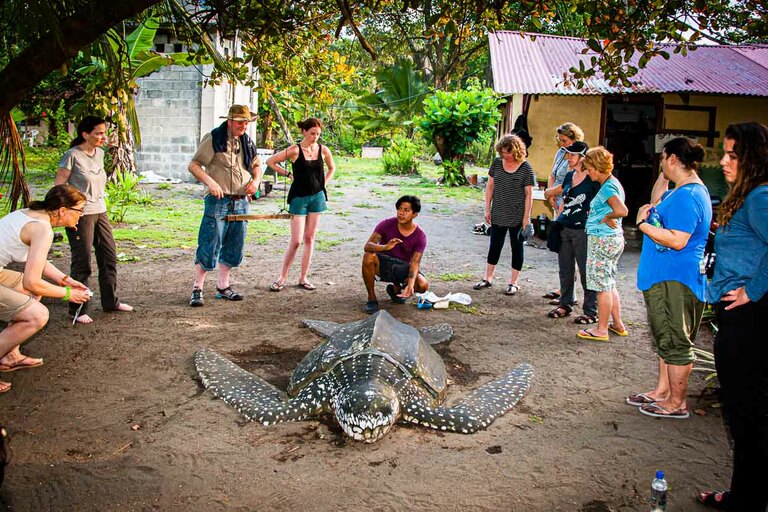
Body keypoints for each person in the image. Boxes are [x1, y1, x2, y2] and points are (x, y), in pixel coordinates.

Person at [698, 122, 768, 511]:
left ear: (752, 160)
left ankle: (748, 500)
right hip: (739, 314)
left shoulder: (759, 197)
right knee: (746, 416)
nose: (723, 161)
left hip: (750, 319)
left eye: (732, 155)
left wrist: (753, 289)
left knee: (748, 417)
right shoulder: (745, 197)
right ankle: (746, 495)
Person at [626, 138, 711, 419]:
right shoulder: (680, 191)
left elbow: (677, 240)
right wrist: (663, 176)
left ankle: (677, 403)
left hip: (675, 280)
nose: (661, 163)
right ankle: (663, 391)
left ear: (673, 158)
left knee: (676, 341)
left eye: (663, 158)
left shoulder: (689, 196)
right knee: (666, 338)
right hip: (664, 278)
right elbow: (656, 200)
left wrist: (642, 225)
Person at [0, 185, 92, 393]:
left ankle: (9, 355)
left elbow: (37, 261)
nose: (81, 216)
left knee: (33, 295)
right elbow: (31, 281)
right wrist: (68, 294)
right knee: (37, 315)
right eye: (79, 211)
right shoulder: (42, 229)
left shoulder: (32, 215)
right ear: (62, 210)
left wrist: (64, 280)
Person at [55, 116, 132, 323]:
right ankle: (77, 309)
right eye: (98, 133)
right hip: (79, 215)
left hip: (100, 210)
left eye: (104, 133)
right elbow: (59, 185)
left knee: (108, 256)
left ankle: (111, 302)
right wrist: (63, 212)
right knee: (82, 262)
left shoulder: (99, 153)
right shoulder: (72, 155)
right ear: (85, 134)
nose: (103, 137)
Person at [188, 105, 262, 307]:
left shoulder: (247, 141)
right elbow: (194, 165)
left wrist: (255, 182)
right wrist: (211, 183)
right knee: (210, 241)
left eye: (246, 122)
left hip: (240, 201)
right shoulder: (214, 138)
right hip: (218, 200)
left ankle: (223, 286)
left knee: (234, 243)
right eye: (240, 122)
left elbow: (256, 166)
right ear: (229, 121)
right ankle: (197, 288)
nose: (244, 126)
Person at [266, 118, 336, 292]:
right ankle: (282, 277)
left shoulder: (323, 150)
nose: (315, 137)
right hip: (299, 197)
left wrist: (323, 183)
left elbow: (332, 168)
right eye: (312, 133)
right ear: (304, 132)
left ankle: (303, 277)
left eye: (318, 134)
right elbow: (271, 162)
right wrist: (288, 174)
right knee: (296, 240)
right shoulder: (295, 150)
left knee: (310, 238)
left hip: (317, 197)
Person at [543, 141, 599, 324]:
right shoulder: (569, 177)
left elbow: (608, 200)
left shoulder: (593, 179)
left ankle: (591, 311)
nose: (568, 158)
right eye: (568, 154)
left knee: (586, 271)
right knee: (565, 269)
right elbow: (558, 192)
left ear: (583, 158)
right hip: (565, 227)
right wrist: (549, 195)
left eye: (573, 155)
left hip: (583, 230)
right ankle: (566, 303)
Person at [576, 147, 628, 342]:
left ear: (598, 167)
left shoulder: (608, 187)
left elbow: (622, 210)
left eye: (589, 169)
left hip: (603, 240)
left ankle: (601, 329)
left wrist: (607, 216)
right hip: (611, 239)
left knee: (601, 286)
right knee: (609, 282)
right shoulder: (613, 183)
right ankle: (618, 324)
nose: (588, 173)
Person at [473, 134, 535, 296]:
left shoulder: (525, 168)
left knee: (517, 247)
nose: (505, 156)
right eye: (502, 152)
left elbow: (529, 194)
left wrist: (526, 218)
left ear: (515, 150)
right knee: (495, 245)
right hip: (498, 212)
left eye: (507, 152)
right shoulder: (497, 163)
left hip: (517, 214)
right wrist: (487, 208)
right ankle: (488, 278)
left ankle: (513, 282)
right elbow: (490, 186)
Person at [361, 196, 428, 314]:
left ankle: (396, 289)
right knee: (368, 256)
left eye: (406, 210)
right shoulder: (386, 224)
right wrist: (385, 247)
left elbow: (415, 262)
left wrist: (410, 285)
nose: (401, 213)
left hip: (403, 268)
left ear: (415, 214)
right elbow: (367, 246)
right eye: (400, 209)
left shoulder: (420, 236)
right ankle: (371, 298)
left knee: (423, 285)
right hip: (384, 263)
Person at [544, 122, 585, 303]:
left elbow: (570, 184)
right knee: (562, 250)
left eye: (565, 140)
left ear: (575, 139)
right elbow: (553, 174)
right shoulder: (561, 153)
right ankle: (564, 288)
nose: (562, 144)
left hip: (568, 204)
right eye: (559, 140)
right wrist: (550, 192)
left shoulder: (578, 157)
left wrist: (552, 193)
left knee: (569, 250)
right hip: (557, 199)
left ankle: (569, 293)